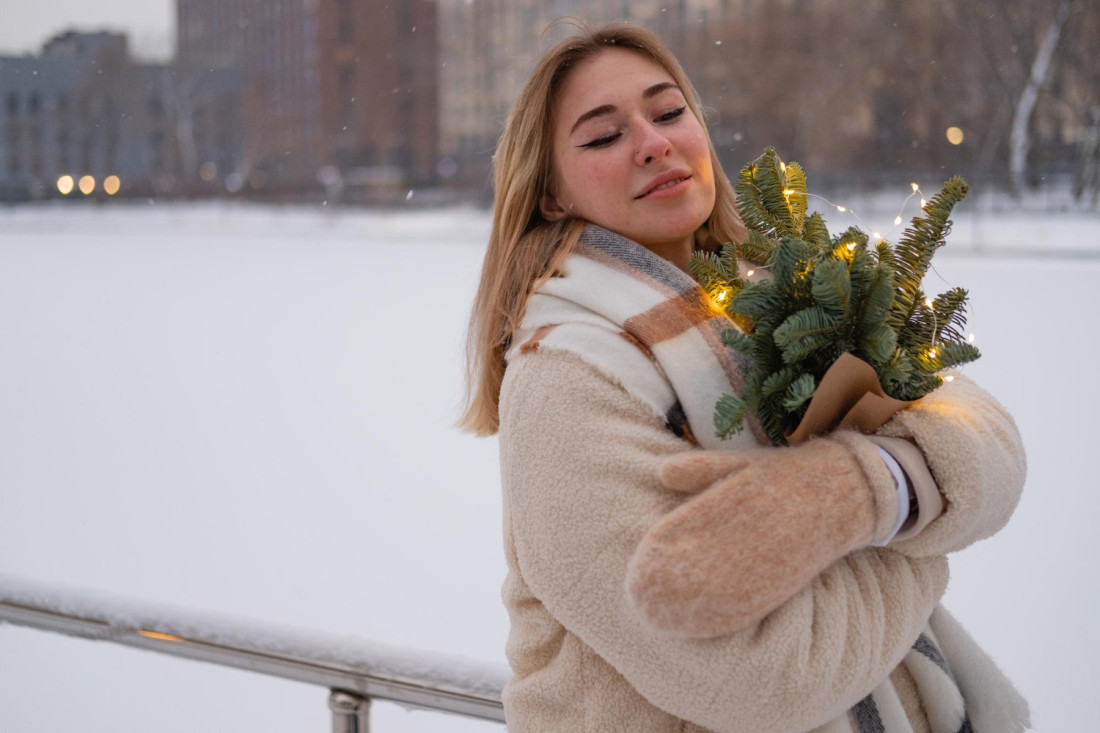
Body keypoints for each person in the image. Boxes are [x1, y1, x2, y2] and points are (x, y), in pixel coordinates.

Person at [460, 21, 1029, 733]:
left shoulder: (783, 293)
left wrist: (861, 494)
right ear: (549, 195)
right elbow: (770, 681)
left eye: (669, 112)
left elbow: (990, 443)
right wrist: (920, 528)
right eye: (604, 136)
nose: (653, 142)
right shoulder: (566, 380)